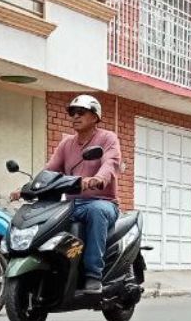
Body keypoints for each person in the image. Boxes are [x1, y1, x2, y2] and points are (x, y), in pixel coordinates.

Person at [10, 94, 122, 294]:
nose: (75, 117)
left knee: (96, 211)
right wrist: (27, 188)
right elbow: (50, 171)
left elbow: (110, 163)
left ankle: (93, 275)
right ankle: (55, 268)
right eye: (72, 113)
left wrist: (99, 178)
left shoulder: (107, 138)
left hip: (102, 202)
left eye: (81, 112)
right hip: (72, 204)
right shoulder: (67, 144)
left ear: (95, 116)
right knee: (46, 217)